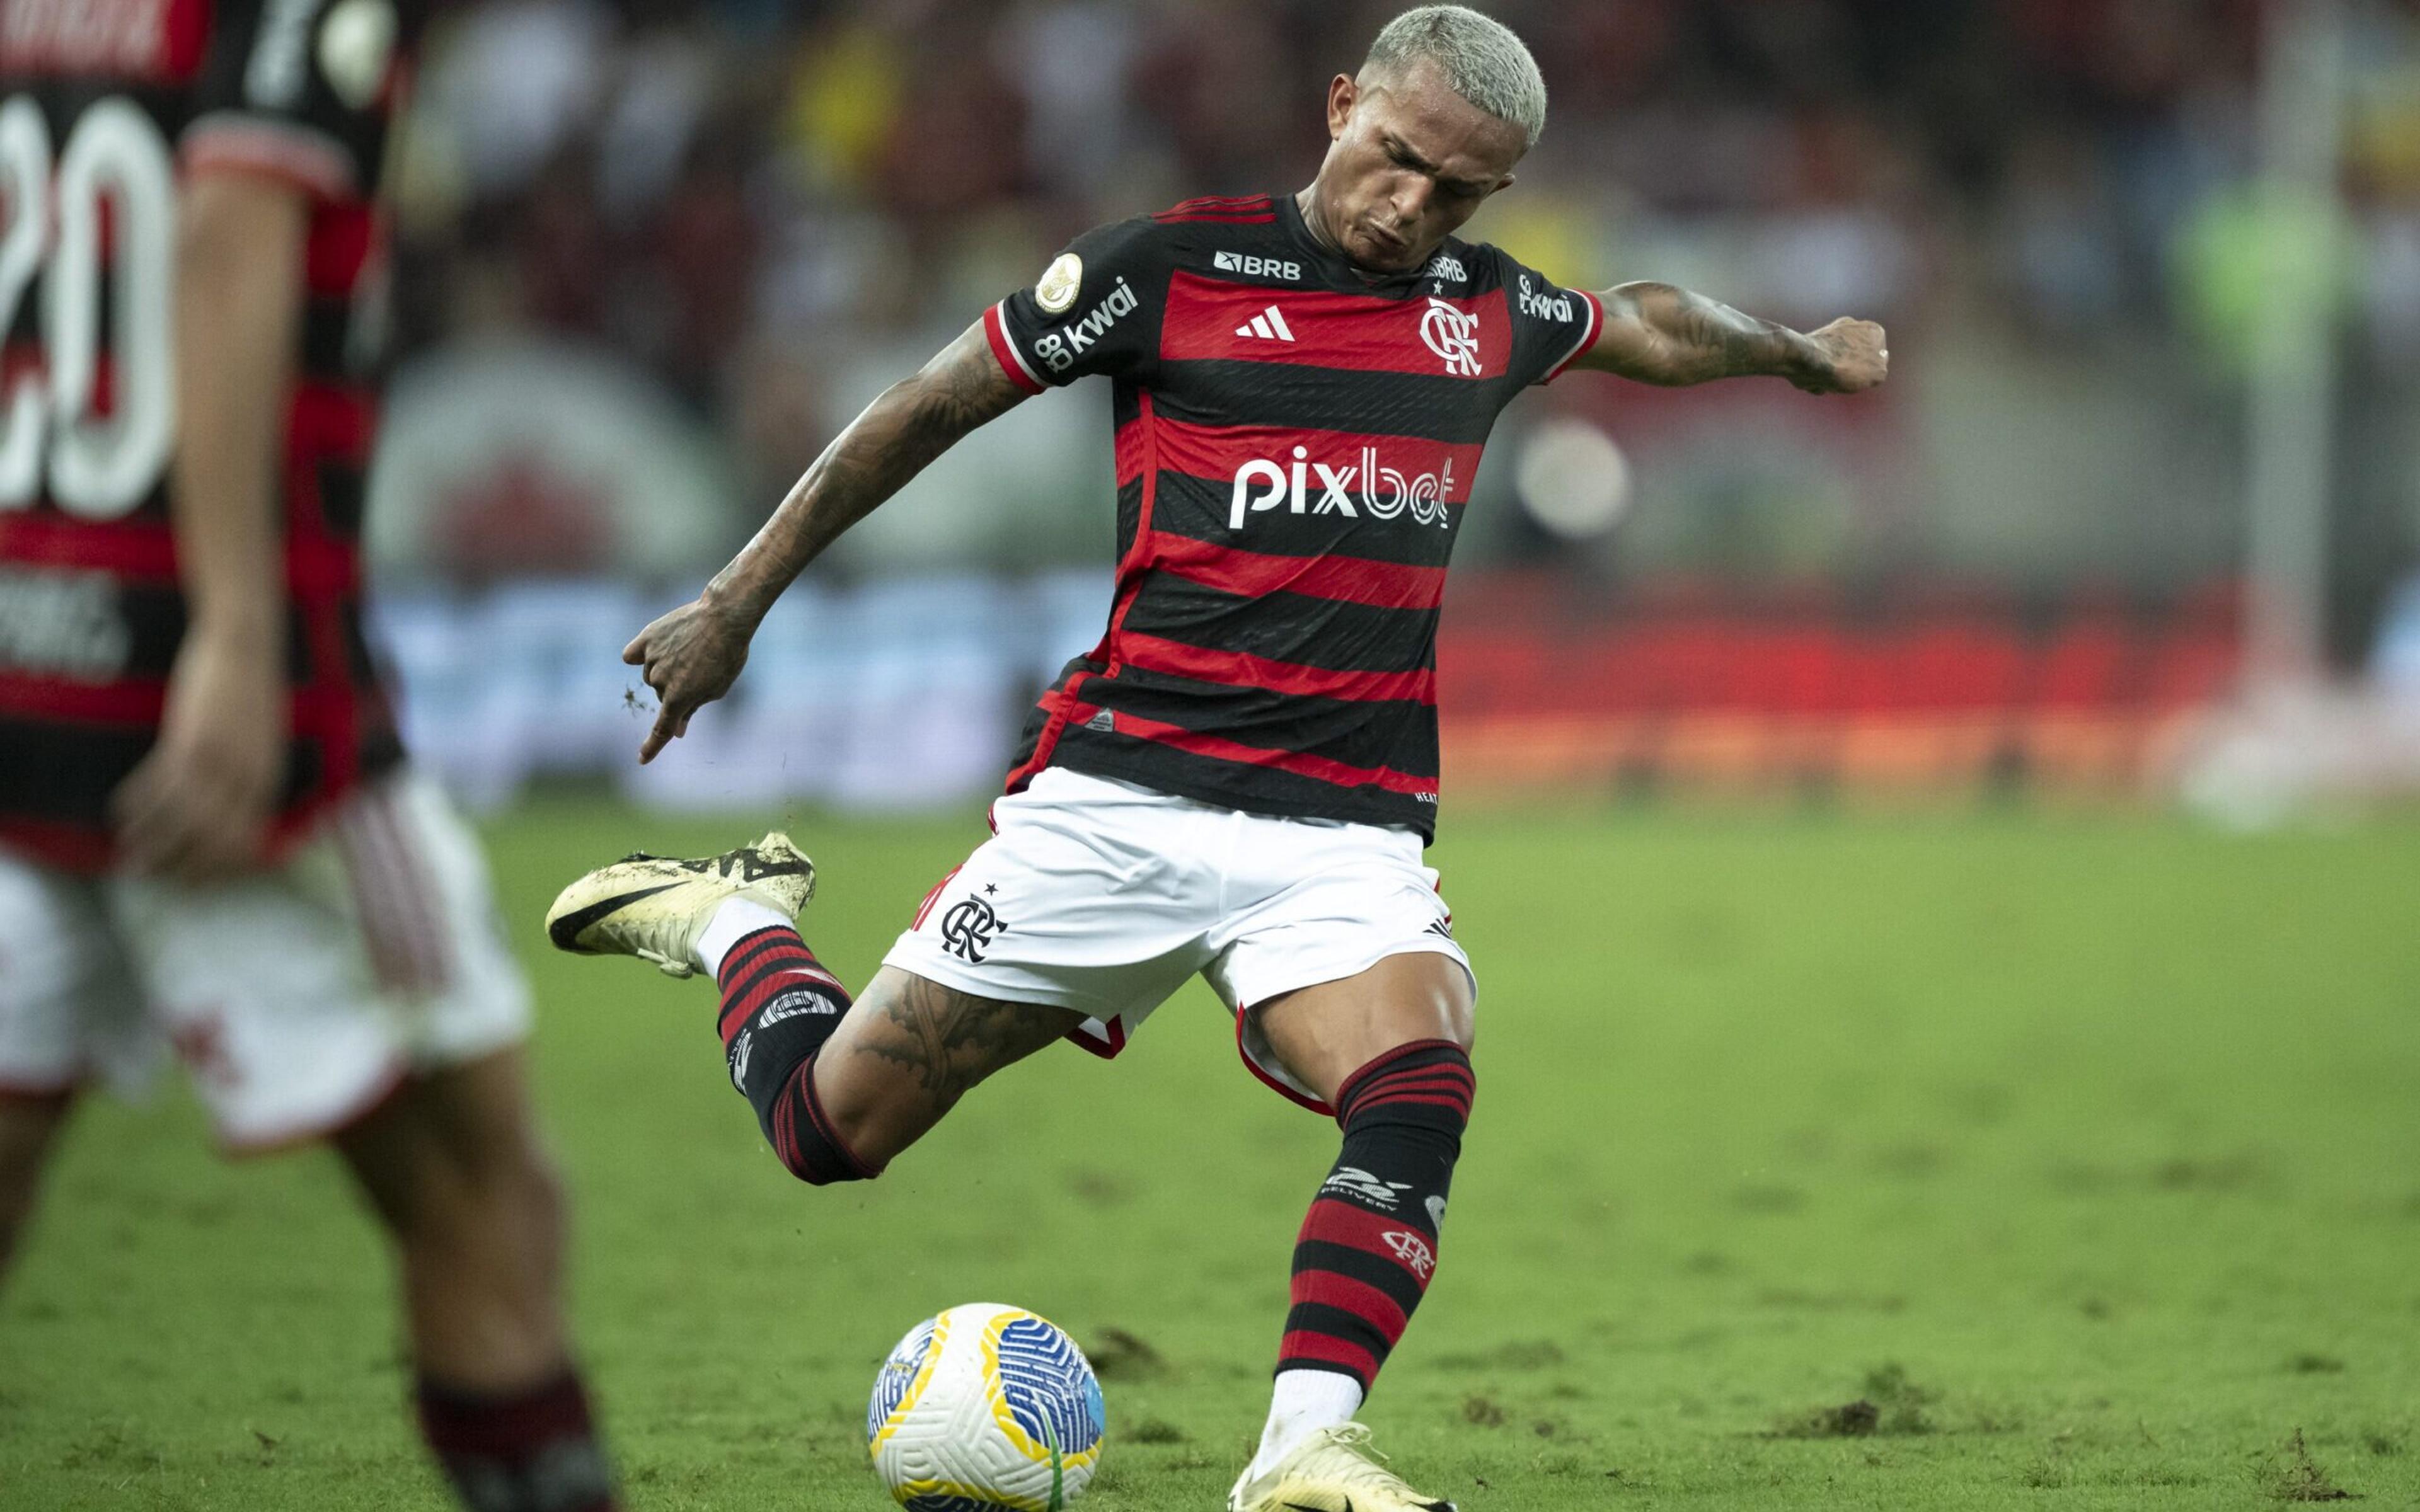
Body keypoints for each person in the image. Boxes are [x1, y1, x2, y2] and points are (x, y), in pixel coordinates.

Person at [549, 7, 1887, 1509]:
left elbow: (1641, 322)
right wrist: (736, 603)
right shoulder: (1165, 273)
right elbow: (923, 408)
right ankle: (740, 921)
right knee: (823, 1134)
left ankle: (1301, 1453)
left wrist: (1796, 353)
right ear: (1339, 106)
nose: (1414, 209)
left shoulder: (1486, 312)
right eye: (1398, 162)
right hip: (1119, 803)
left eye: (1461, 193)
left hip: (1342, 834)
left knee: (1420, 1075)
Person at [0, 3, 618, 1509]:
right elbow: (228, 231)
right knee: (486, 1194)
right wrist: (232, 633)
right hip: (242, 715)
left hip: (29, 654)